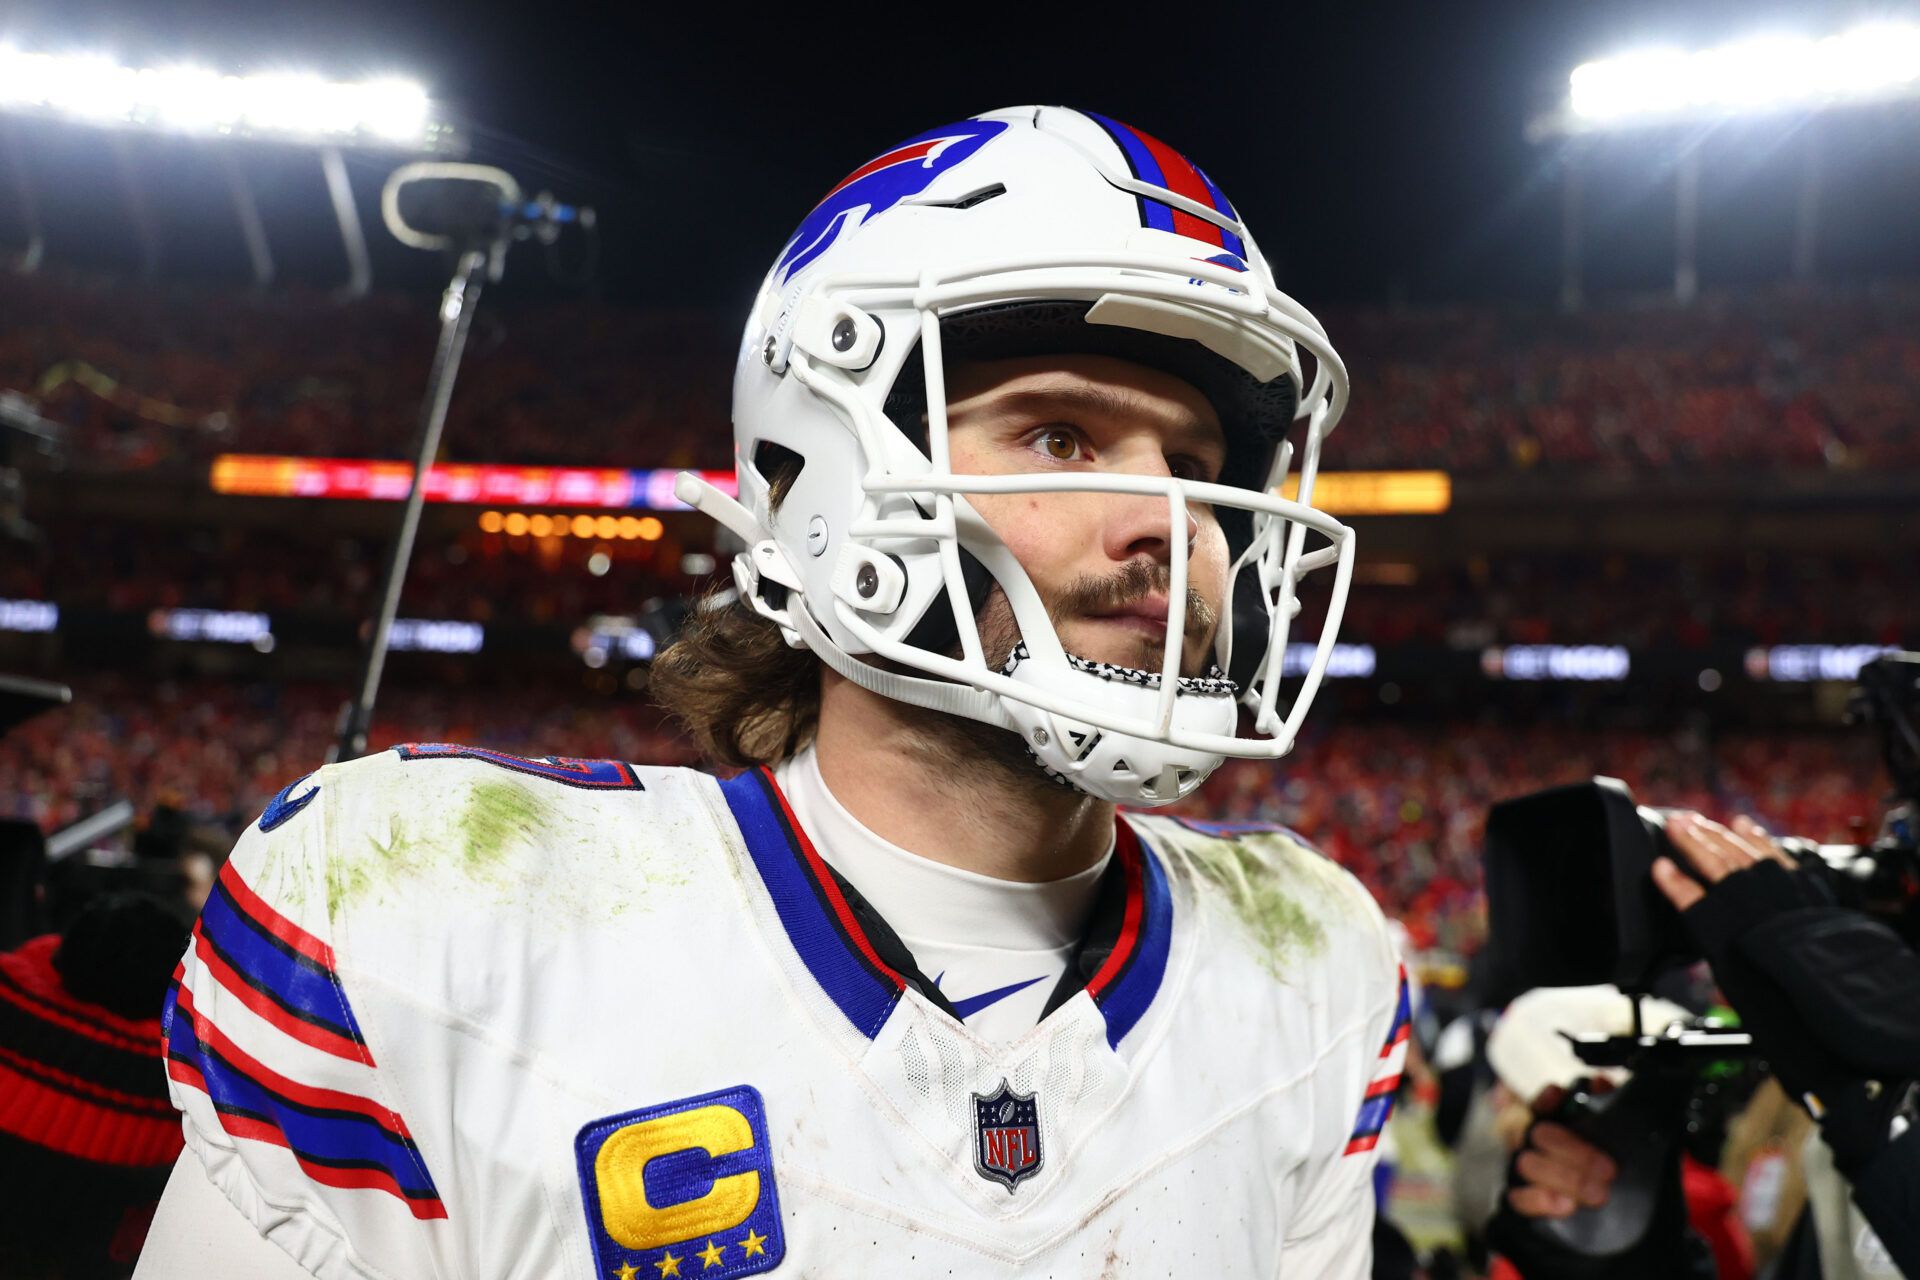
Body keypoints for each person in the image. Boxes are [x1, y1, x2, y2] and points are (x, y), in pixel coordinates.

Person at [137, 106, 1600, 1279]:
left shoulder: (1316, 964)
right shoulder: (430, 914)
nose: (1172, 520)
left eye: (1199, 466)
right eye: (1059, 436)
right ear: (828, 481)